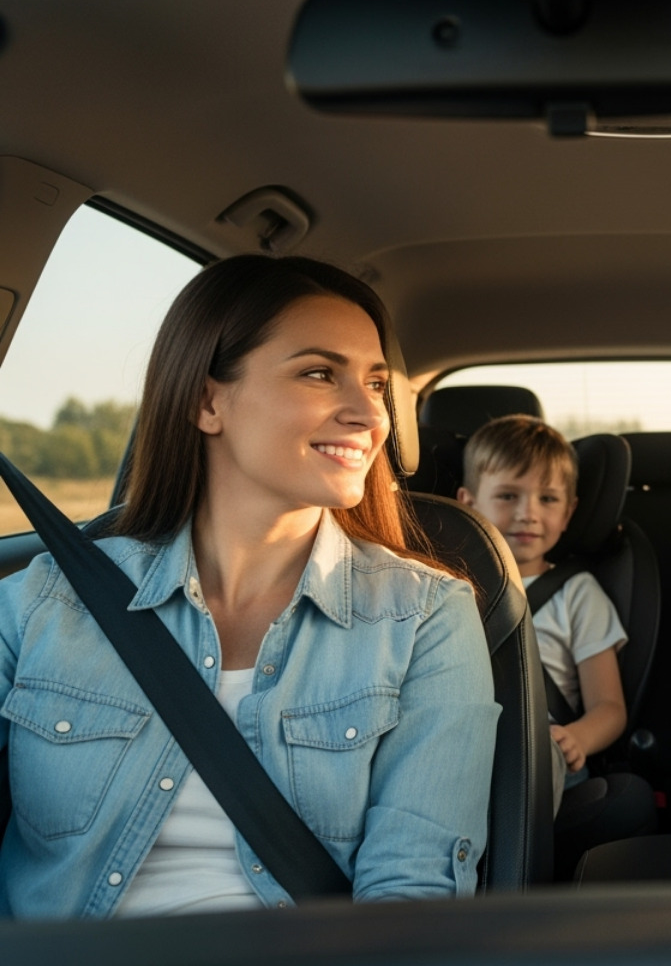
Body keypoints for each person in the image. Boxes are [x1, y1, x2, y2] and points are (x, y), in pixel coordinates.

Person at [0, 255, 500, 919]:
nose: (368, 414)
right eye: (321, 373)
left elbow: (409, 904)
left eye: (377, 384)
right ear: (208, 400)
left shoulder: (426, 617)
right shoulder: (45, 600)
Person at [457, 414, 626, 809]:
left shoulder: (578, 593)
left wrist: (578, 738)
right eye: (508, 496)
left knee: (534, 756)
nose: (528, 513)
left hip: (543, 746)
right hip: (461, 741)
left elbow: (610, 707)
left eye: (547, 499)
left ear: (568, 513)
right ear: (468, 503)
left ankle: (514, 865)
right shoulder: (446, 587)